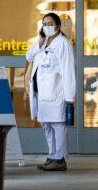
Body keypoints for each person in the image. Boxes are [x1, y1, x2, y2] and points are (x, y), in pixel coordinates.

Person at [26, 13, 76, 172]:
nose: (47, 26)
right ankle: (52, 155)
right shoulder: (43, 42)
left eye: (50, 23)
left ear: (58, 26)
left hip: (57, 93)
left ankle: (60, 159)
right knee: (46, 124)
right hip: (42, 93)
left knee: (58, 125)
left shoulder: (64, 44)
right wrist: (40, 42)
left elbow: (69, 71)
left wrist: (70, 97)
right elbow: (28, 57)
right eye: (44, 23)